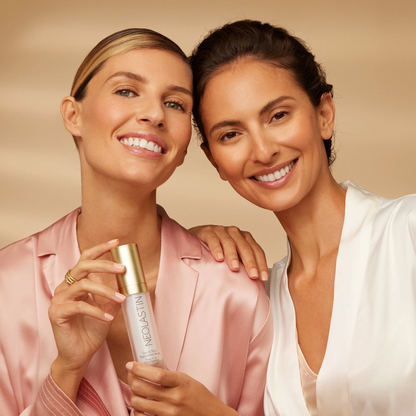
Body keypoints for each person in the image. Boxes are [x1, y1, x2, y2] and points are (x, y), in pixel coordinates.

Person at [0, 28, 273, 416]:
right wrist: (66, 372)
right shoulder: (7, 286)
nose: (154, 113)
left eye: (176, 103)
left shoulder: (235, 293)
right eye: (127, 90)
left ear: (182, 151)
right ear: (73, 115)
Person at [190, 20, 416, 416]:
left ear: (324, 113)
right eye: (230, 134)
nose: (262, 151)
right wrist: (186, 244)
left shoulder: (408, 233)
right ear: (215, 162)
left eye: (277, 115)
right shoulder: (254, 301)